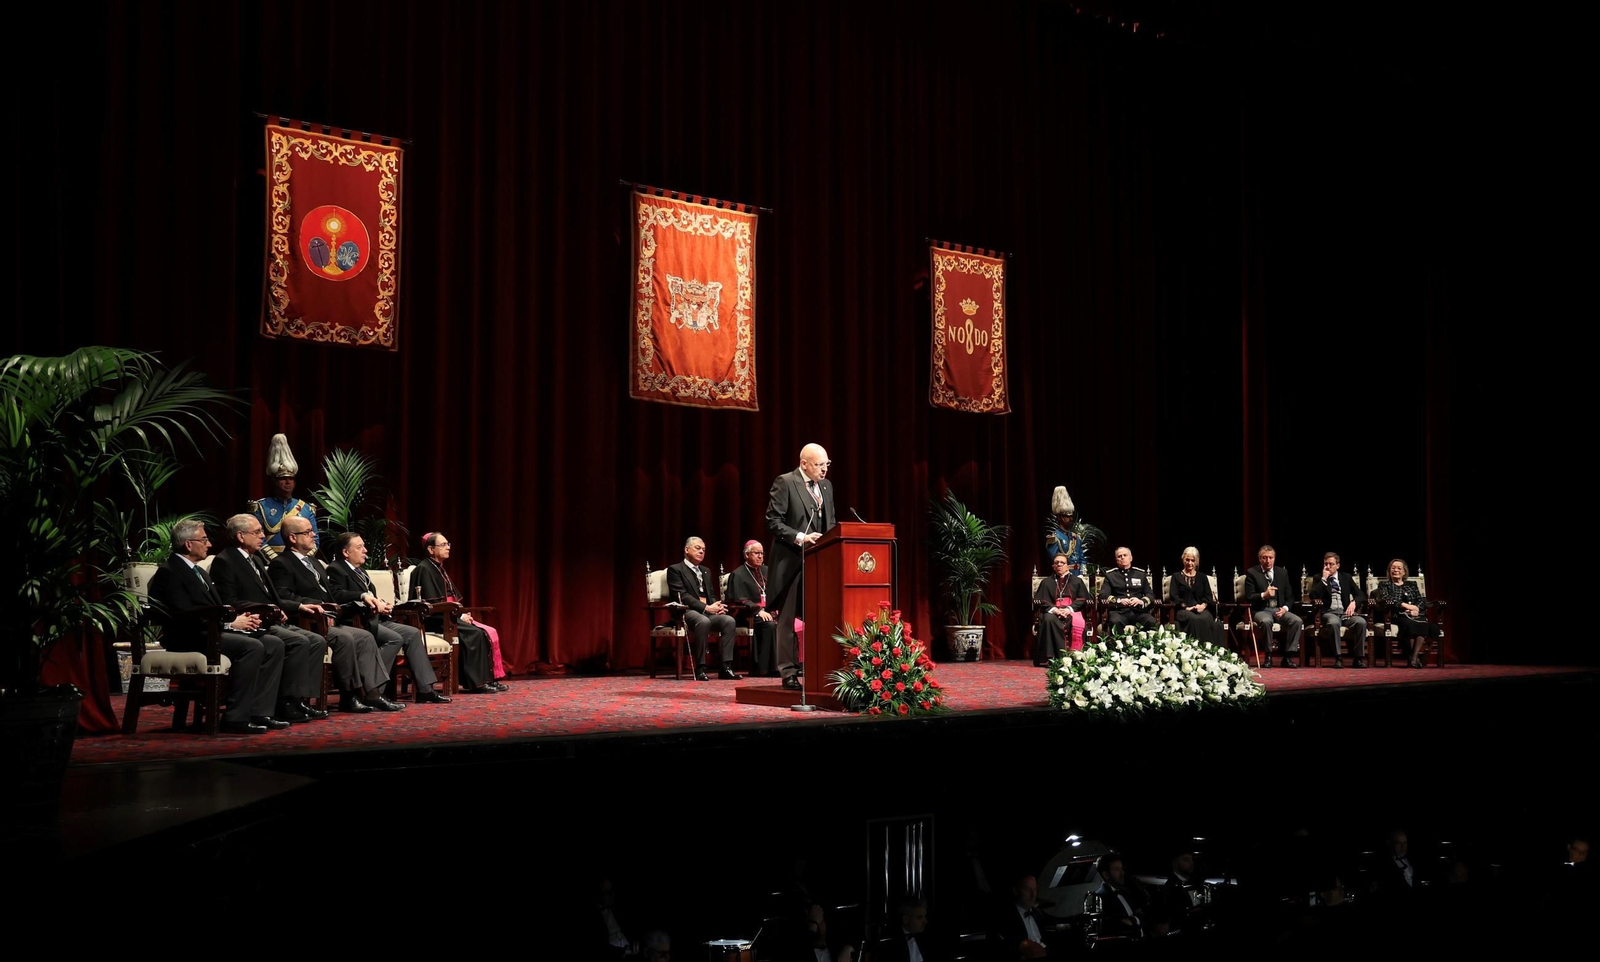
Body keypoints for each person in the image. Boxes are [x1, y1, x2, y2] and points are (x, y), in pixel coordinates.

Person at [274, 517, 449, 708]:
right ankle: (361, 693)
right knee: (378, 638)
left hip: (354, 617)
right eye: (307, 532)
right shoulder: (284, 564)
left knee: (410, 633)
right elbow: (287, 597)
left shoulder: (316, 564)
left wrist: (379, 602)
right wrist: (341, 605)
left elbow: (331, 595)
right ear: (292, 537)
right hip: (319, 621)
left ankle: (420, 690)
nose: (313, 535)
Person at [146, 519, 286, 734]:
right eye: (204, 539)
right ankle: (235, 717)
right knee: (252, 647)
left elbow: (217, 606)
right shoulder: (169, 572)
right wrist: (229, 622)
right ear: (188, 544)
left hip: (209, 630)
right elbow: (182, 614)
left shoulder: (199, 572)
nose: (209, 544)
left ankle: (260, 712)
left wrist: (243, 619)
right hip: (188, 636)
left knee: (273, 644)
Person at [207, 513, 332, 720]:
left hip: (271, 619)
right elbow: (229, 601)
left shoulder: (255, 559)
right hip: (253, 621)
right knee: (298, 641)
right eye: (256, 532)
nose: (262, 536)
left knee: (316, 640)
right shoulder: (226, 561)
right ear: (240, 536)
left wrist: (286, 607)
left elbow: (274, 596)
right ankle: (285, 702)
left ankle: (299, 700)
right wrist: (268, 609)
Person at [766, 443, 837, 692]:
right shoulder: (785, 482)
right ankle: (788, 672)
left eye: (827, 464)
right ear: (804, 463)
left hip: (820, 562)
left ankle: (819, 667)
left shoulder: (826, 487)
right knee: (786, 621)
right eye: (819, 465)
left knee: (820, 616)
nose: (824, 469)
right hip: (790, 562)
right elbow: (773, 522)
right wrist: (800, 537)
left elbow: (831, 524)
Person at [409, 532, 503, 693]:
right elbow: (433, 604)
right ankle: (477, 684)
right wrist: (459, 615)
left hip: (447, 616)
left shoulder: (438, 568)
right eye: (443, 545)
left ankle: (486, 680)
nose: (448, 548)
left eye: (448, 544)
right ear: (431, 549)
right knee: (475, 634)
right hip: (435, 618)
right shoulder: (424, 569)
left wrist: (461, 614)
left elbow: (452, 599)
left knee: (482, 632)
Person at [666, 536, 741, 681]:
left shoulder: (705, 571)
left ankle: (725, 667)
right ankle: (701, 667)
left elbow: (711, 594)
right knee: (703, 621)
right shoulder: (675, 570)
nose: (701, 552)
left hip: (707, 610)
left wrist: (717, 606)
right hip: (686, 611)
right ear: (686, 550)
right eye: (698, 548)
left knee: (728, 621)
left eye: (704, 550)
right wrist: (707, 608)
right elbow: (683, 595)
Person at [248, 432, 318, 559]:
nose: (288, 482)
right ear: (274, 481)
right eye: (283, 478)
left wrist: (301, 560)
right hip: (270, 562)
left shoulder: (306, 508)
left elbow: (315, 540)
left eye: (291, 478)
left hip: (301, 561)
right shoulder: (261, 506)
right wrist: (275, 560)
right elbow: (257, 537)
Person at [1242, 545, 1303, 668]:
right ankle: (1268, 655)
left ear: (1274, 559)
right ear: (1260, 559)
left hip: (1279, 610)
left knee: (1297, 621)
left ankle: (1288, 656)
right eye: (1264, 558)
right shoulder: (1252, 573)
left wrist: (1285, 608)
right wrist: (1264, 595)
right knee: (1266, 621)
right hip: (1261, 610)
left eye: (1270, 557)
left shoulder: (1282, 573)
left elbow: (1290, 596)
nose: (1268, 561)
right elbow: (1249, 597)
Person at [1373, 558, 1441, 669]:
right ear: (1389, 570)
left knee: (1424, 625)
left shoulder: (1412, 584)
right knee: (1410, 624)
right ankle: (1414, 658)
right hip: (1397, 615)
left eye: (1399, 568)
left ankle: (1413, 657)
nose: (1396, 570)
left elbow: (1420, 599)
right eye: (1393, 568)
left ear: (1404, 571)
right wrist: (1406, 606)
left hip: (1415, 615)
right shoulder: (1385, 585)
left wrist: (1416, 609)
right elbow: (1387, 599)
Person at [1307, 552, 1368, 668]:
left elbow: (1360, 595)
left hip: (1345, 613)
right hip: (1329, 613)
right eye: (1326, 564)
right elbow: (1313, 596)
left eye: (1331, 564)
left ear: (1338, 565)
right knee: (1334, 623)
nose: (1328, 567)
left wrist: (1354, 603)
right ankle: (1338, 657)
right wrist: (1324, 579)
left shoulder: (1346, 578)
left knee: (1361, 622)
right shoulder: (1318, 578)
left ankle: (1358, 658)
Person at [727, 540, 777, 676]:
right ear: (747, 555)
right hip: (747, 615)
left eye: (762, 553)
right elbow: (737, 599)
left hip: (770, 611)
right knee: (769, 625)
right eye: (757, 553)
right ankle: (765, 669)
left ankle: (790, 667)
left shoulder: (767, 570)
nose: (760, 556)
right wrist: (758, 610)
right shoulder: (737, 574)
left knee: (789, 623)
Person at [1033, 552, 1087, 665]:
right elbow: (1040, 600)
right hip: (1053, 612)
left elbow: (1083, 599)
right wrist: (1054, 610)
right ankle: (1050, 658)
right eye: (1056, 563)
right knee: (1048, 619)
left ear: (1068, 566)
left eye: (1062, 563)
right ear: (1053, 566)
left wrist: (1069, 609)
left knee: (1076, 621)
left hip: (1072, 612)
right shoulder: (1046, 582)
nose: (1059, 565)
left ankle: (1075, 657)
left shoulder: (1077, 581)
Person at [1170, 547, 1227, 647]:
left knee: (1205, 618)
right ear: (1183, 559)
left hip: (1201, 609)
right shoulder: (1176, 576)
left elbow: (1208, 597)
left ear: (1197, 562)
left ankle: (1208, 649)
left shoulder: (1202, 577)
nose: (1190, 563)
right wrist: (1186, 607)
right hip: (1183, 610)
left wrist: (1203, 606)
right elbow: (1174, 597)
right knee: (1194, 619)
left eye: (1193, 560)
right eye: (1187, 560)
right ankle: (1196, 649)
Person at [990, 874, 1051, 960]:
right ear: (1016, 891)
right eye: (1027, 890)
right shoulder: (1006, 916)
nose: (1033, 895)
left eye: (1035, 890)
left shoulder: (1038, 914)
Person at [1093, 853, 1151, 938]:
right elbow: (1114, 927)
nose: (1122, 873)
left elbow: (1143, 915)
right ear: (1106, 874)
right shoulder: (1100, 897)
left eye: (1121, 868)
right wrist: (1135, 919)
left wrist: (1133, 920)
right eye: (1117, 869)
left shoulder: (1126, 891)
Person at [1099, 547, 1158, 631]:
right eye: (1119, 556)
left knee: (1151, 621)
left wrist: (1142, 601)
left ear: (1131, 558)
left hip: (1138, 611)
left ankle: (1144, 644)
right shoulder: (1110, 575)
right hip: (1119, 611)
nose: (1122, 557)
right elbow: (1103, 595)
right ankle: (1117, 644)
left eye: (1125, 555)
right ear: (1116, 560)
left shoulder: (1140, 574)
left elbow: (1150, 594)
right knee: (1115, 621)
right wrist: (1119, 601)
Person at [1044, 486, 1086, 577]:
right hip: (1063, 577)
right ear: (1059, 517)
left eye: (1071, 516)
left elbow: (1082, 559)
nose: (1071, 519)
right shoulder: (1054, 538)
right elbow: (1056, 561)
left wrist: (1082, 574)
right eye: (1067, 516)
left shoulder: (1075, 537)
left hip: (1078, 576)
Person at [872, 897, 930, 962]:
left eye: (924, 916)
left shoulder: (925, 938)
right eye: (919, 917)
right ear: (905, 919)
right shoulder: (891, 943)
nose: (925, 921)